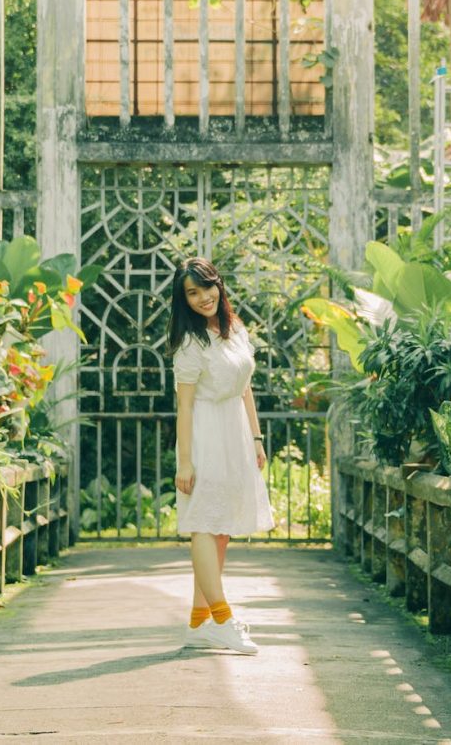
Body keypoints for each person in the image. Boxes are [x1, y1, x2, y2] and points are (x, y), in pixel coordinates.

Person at [168, 256, 274, 654]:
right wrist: (185, 460)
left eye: (205, 288)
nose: (201, 298)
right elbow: (185, 406)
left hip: (235, 433)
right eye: (191, 293)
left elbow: (246, 388)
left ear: (218, 285)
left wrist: (256, 438)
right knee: (203, 522)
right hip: (205, 434)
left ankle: (199, 625)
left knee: (222, 527)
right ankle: (223, 618)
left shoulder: (234, 329)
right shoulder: (190, 344)